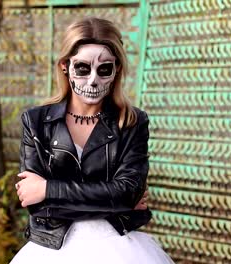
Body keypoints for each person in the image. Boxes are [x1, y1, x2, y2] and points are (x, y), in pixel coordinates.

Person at [10, 17, 174, 264]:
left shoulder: (132, 122)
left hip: (120, 251)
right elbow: (36, 206)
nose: (93, 80)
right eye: (83, 68)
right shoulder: (35, 122)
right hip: (50, 250)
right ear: (65, 66)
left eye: (104, 68)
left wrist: (48, 189)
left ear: (117, 69)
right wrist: (114, 200)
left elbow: (127, 193)